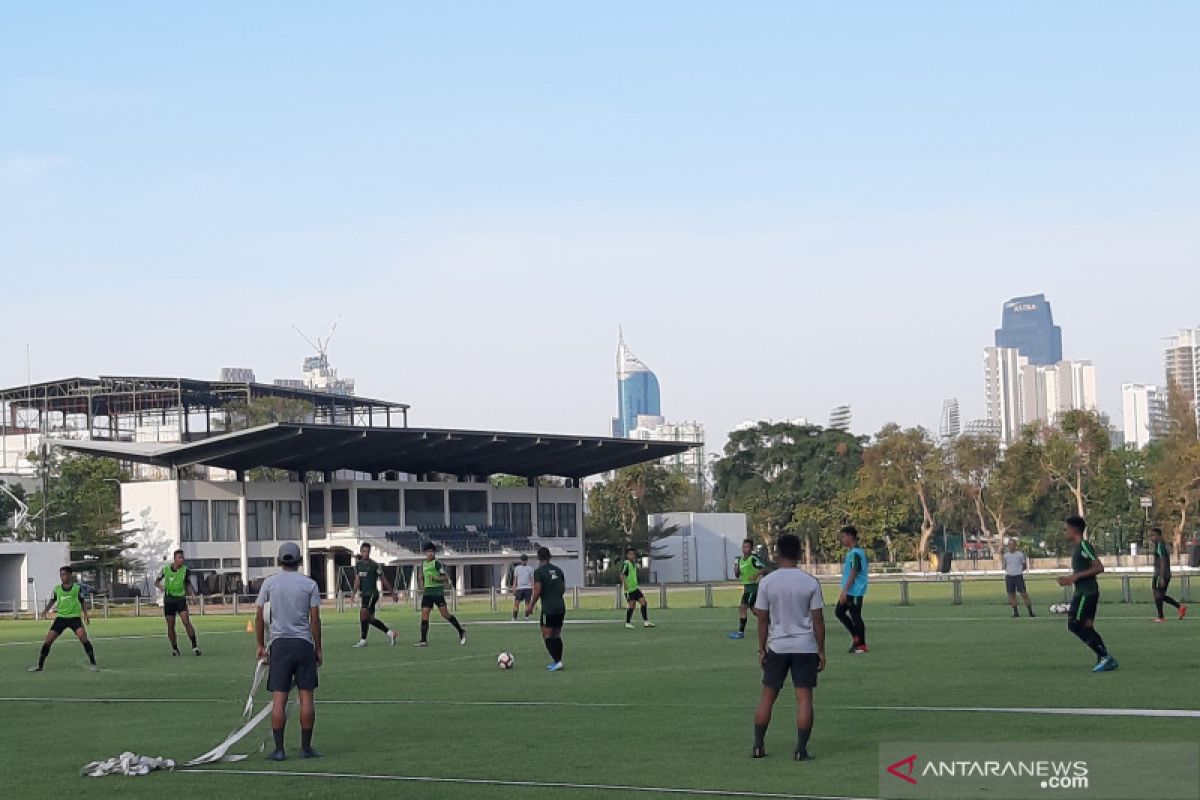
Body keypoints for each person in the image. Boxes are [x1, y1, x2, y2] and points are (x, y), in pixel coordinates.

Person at [751, 533, 825, 761]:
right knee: (804, 699)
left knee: (767, 697)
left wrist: (761, 649)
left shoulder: (767, 582)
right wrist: (821, 650)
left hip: (778, 647)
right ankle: (801, 750)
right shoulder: (810, 582)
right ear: (799, 553)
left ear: (778, 553)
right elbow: (818, 621)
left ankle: (758, 746)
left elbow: (762, 618)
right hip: (805, 647)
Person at [255, 542, 323, 761]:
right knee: (306, 697)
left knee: (279, 699)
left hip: (280, 644)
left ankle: (279, 749)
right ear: (300, 561)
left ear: (279, 561)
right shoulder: (309, 584)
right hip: (303, 644)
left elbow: (259, 617)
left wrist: (260, 645)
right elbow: (315, 620)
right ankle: (305, 747)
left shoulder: (270, 583)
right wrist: (318, 647)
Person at [1057, 516, 1117, 672]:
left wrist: (1074, 577)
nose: (1065, 532)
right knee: (1087, 626)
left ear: (1074, 529)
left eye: (1066, 529)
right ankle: (1104, 657)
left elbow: (1099, 567)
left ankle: (1105, 656)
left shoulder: (1084, 546)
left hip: (1086, 593)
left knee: (1074, 624)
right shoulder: (1079, 548)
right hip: (1085, 592)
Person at [29, 566, 98, 672]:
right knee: (48, 640)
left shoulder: (77, 588)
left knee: (83, 638)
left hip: (74, 618)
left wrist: (86, 615)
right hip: (61, 618)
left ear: (70, 575)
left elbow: (82, 602)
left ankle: (93, 663)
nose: (62, 576)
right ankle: (40, 666)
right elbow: (52, 601)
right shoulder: (57, 589)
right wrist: (45, 611)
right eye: (61, 574)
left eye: (64, 574)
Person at [414, 542, 466, 647]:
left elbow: (445, 578)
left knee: (445, 614)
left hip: (437, 591)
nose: (430, 554)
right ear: (425, 553)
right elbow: (421, 577)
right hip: (428, 592)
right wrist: (421, 580)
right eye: (428, 552)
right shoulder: (423, 564)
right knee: (424, 614)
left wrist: (435, 578)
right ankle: (423, 639)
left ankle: (461, 630)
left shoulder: (437, 563)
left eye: (432, 552)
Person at [350, 543, 399, 647]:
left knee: (363, 612)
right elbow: (357, 579)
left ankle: (363, 640)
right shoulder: (358, 565)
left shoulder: (374, 565)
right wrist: (353, 593)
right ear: (361, 552)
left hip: (372, 594)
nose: (366, 553)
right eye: (364, 551)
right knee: (369, 619)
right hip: (364, 595)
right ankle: (391, 633)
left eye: (367, 551)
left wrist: (392, 593)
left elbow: (383, 579)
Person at [155, 549, 202, 656]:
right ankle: (175, 648)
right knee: (171, 625)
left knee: (186, 621)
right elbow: (156, 582)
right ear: (175, 559)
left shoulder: (186, 570)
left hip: (180, 600)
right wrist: (161, 587)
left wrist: (193, 594)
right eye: (180, 557)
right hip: (169, 600)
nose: (182, 559)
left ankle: (195, 646)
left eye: (183, 557)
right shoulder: (165, 569)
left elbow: (188, 584)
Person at [529, 546, 567, 671]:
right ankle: (558, 661)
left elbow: (537, 590)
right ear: (550, 556)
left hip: (549, 608)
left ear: (538, 557)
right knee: (556, 635)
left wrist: (531, 605)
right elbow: (562, 589)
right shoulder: (558, 570)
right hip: (560, 606)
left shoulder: (539, 572)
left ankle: (557, 661)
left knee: (547, 635)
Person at [834, 526, 868, 654]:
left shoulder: (855, 553)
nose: (842, 540)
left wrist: (845, 590)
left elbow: (854, 571)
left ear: (850, 537)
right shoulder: (853, 552)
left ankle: (861, 644)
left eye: (843, 537)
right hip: (850, 590)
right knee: (839, 612)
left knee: (855, 616)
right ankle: (856, 637)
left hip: (854, 591)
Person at [730, 539, 770, 639]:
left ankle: (740, 633)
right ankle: (773, 623)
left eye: (747, 547)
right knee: (755, 611)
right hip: (746, 588)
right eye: (744, 547)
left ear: (751, 548)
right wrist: (736, 571)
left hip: (753, 588)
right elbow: (737, 575)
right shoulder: (740, 560)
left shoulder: (753, 558)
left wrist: (756, 575)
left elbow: (765, 568)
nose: (745, 549)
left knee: (742, 607)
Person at [1150, 528, 1187, 622]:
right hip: (1157, 573)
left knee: (1159, 596)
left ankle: (1161, 617)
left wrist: (1162, 577)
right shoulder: (1158, 545)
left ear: (1159, 536)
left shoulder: (1161, 545)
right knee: (1157, 595)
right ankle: (1179, 607)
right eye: (1151, 536)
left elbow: (1163, 561)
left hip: (1162, 574)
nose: (1152, 538)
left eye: (1154, 535)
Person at [621, 548, 654, 629]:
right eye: (630, 554)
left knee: (643, 602)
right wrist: (625, 584)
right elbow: (622, 574)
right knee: (632, 606)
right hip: (629, 589)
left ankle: (646, 622)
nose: (632, 556)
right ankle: (627, 622)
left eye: (633, 554)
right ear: (627, 555)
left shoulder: (634, 564)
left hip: (635, 588)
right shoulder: (626, 563)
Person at [1002, 539, 1034, 618]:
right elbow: (1005, 565)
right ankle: (1015, 612)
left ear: (1015, 546)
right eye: (1009, 544)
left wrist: (1018, 571)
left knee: (1024, 594)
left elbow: (1024, 565)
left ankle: (1030, 612)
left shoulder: (1020, 555)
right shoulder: (1006, 555)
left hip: (1018, 577)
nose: (1010, 546)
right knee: (1011, 595)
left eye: (1012, 544)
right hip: (1009, 577)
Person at [511, 554, 535, 622]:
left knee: (527, 603)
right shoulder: (517, 568)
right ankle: (514, 617)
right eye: (522, 560)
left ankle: (526, 616)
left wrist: (533, 589)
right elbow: (515, 579)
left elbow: (532, 579)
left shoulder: (530, 568)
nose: (523, 562)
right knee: (516, 603)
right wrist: (514, 588)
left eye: (525, 560)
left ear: (527, 561)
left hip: (528, 588)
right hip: (519, 588)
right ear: (521, 560)